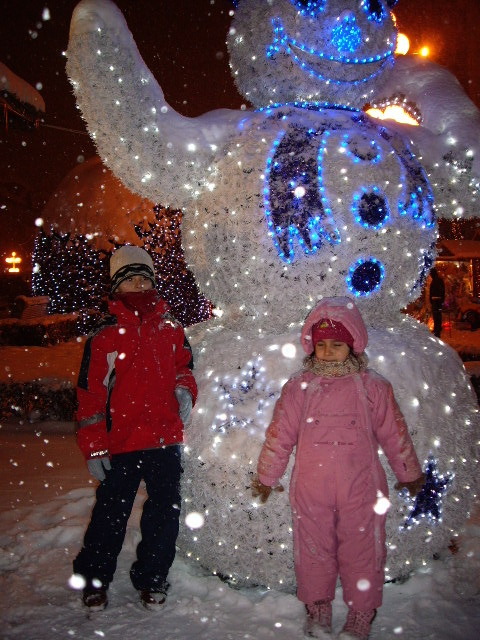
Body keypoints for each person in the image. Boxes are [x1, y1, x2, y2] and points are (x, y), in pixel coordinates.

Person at [252, 297, 425, 640]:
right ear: (311, 346)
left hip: (361, 486)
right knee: (313, 547)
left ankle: (362, 610)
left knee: (363, 548)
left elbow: (394, 432)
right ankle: (318, 606)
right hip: (311, 487)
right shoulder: (299, 387)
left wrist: (407, 472)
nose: (328, 351)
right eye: (321, 345)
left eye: (337, 344)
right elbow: (280, 434)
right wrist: (268, 476)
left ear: (354, 345)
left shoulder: (373, 387)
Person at [72, 245, 197, 612]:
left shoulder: (172, 328)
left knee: (164, 513)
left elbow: (185, 367)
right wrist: (94, 447)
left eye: (145, 277)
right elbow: (90, 399)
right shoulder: (105, 337)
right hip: (121, 443)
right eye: (130, 279)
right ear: (116, 287)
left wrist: (184, 390)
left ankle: (153, 577)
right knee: (110, 514)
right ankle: (95, 578)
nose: (139, 284)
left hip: (164, 438)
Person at [429, 267, 445, 337]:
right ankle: (437, 329)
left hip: (436, 301)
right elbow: (443, 291)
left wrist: (432, 300)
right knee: (438, 316)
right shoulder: (439, 280)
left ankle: (437, 330)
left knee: (437, 316)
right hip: (438, 301)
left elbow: (434, 292)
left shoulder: (435, 281)